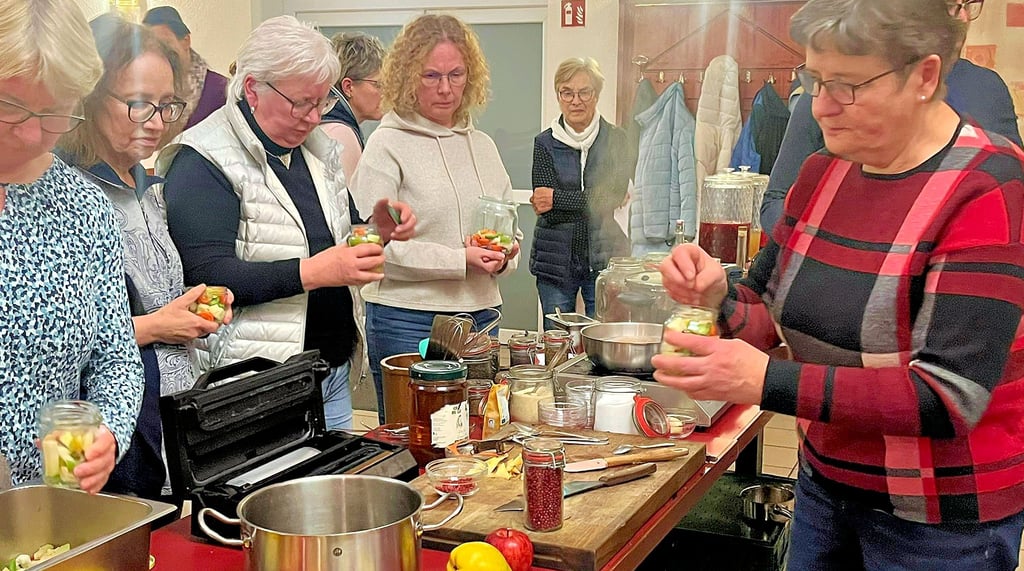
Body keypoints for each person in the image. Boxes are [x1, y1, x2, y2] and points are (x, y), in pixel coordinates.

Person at [652, 0, 1024, 568]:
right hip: (827, 490)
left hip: (940, 520)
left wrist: (766, 381)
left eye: (847, 86)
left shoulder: (989, 185)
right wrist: (718, 297)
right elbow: (765, 312)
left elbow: (946, 397)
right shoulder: (822, 174)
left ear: (924, 76)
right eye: (814, 80)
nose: (821, 107)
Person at [159, 15, 415, 431]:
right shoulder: (203, 159)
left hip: (327, 371)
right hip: (256, 384)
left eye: (323, 103)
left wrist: (375, 228)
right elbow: (206, 274)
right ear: (252, 90)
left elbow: (336, 237)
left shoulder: (316, 150)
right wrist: (316, 272)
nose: (313, 117)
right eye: (301, 103)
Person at [59, 14, 233, 500]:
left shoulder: (147, 186)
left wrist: (192, 304)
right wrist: (157, 325)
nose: (156, 123)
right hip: (103, 425)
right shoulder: (64, 194)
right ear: (88, 98)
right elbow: (60, 339)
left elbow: (152, 293)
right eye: (138, 105)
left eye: (167, 106)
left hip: (169, 405)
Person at [0, 0, 144, 492]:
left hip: (47, 515)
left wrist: (108, 432)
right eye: (8, 106)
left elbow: (117, 359)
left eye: (55, 111)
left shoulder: (83, 207)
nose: (32, 132)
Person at [349, 14, 520, 423]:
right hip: (407, 318)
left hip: (480, 316)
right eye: (431, 75)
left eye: (456, 74)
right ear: (408, 77)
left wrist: (507, 254)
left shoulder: (484, 147)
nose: (446, 88)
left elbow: (508, 228)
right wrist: (458, 259)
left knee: (475, 436)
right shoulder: (386, 146)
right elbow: (371, 246)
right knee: (416, 443)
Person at [759, 0, 1022, 234]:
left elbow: (1013, 201)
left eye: (967, 4)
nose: (962, 18)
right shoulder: (820, 160)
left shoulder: (987, 90)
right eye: (948, 4)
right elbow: (777, 201)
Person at [530, 57, 630, 329]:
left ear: (595, 95)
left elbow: (611, 197)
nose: (576, 100)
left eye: (584, 92)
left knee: (604, 337)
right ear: (558, 95)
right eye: (567, 92)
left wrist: (558, 198)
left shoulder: (617, 140)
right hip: (554, 259)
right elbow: (543, 204)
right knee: (556, 342)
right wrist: (593, 199)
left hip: (604, 259)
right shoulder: (544, 143)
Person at [143, 6, 228, 136]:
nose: (160, 53)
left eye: (165, 44)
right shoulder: (144, 91)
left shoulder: (221, 90)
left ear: (186, 41)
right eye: (152, 46)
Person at [322, 32, 386, 183]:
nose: (386, 93)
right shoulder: (341, 134)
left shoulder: (328, 124)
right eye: (379, 85)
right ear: (348, 87)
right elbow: (349, 204)